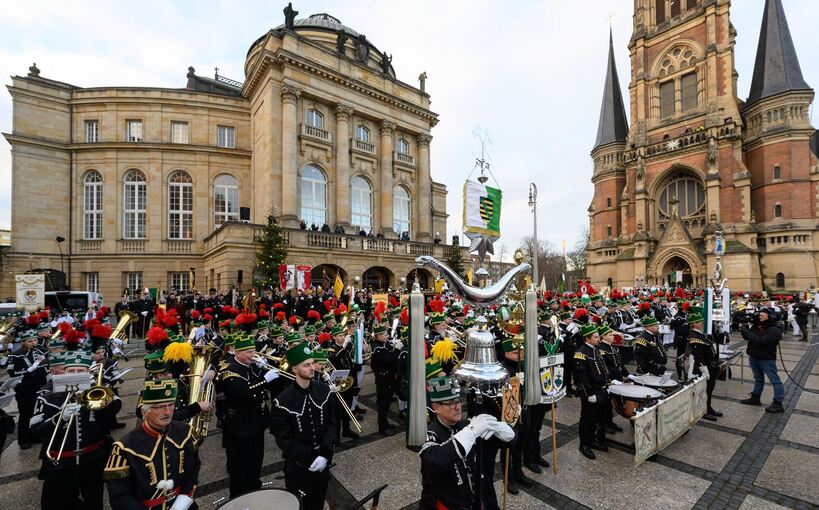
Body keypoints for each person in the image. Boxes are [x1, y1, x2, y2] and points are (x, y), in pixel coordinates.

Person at [33, 350, 121, 510]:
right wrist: (60, 418)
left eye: (81, 371)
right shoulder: (47, 397)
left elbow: (114, 410)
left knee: (94, 501)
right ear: (63, 374)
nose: (76, 375)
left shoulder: (99, 390)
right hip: (62, 462)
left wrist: (93, 399)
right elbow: (36, 430)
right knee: (61, 502)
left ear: (88, 372)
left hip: (94, 459)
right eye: (71, 371)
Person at [419, 376, 514, 510]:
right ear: (436, 407)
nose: (458, 407)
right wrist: (472, 431)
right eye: (451, 403)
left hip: (478, 500)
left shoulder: (466, 425)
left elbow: (510, 441)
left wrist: (499, 428)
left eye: (459, 401)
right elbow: (436, 459)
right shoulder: (429, 434)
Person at [104, 379, 200, 510]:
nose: (167, 412)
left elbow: (194, 468)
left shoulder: (186, 432)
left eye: (170, 405)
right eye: (160, 407)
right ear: (145, 412)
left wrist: (182, 501)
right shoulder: (124, 447)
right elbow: (120, 496)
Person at [271, 342, 338, 510]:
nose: (312, 368)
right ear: (294, 369)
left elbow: (331, 424)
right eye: (306, 365)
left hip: (323, 462)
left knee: (318, 501)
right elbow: (284, 439)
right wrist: (310, 457)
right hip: (298, 467)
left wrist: (325, 453)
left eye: (312, 363)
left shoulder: (324, 390)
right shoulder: (282, 401)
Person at [220, 334, 280, 498]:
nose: (253, 355)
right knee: (239, 464)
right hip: (240, 424)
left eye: (253, 350)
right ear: (236, 352)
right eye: (248, 352)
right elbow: (240, 393)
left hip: (257, 420)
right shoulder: (229, 370)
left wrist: (265, 368)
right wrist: (264, 380)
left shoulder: (251, 364)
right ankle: (239, 495)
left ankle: (254, 486)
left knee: (256, 459)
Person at [574, 323, 610, 460]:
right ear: (587, 339)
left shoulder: (596, 349)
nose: (598, 339)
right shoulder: (581, 353)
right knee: (587, 419)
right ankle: (584, 444)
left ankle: (593, 439)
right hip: (590, 391)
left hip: (600, 389)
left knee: (597, 417)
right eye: (595, 337)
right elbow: (582, 376)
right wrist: (590, 393)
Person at [7, 329, 49, 449]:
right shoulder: (16, 354)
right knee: (26, 414)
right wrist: (29, 369)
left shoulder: (41, 350)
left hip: (40, 385)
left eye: (35, 340)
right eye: (30, 341)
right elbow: (11, 371)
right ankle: (23, 439)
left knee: (37, 412)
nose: (34, 343)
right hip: (24, 388)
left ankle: (35, 435)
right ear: (24, 342)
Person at [740, 308, 785, 413]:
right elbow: (748, 338)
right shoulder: (758, 325)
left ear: (770, 316)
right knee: (758, 378)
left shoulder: (775, 329)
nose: (759, 317)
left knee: (775, 380)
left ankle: (778, 403)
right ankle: (755, 398)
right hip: (754, 356)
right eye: (759, 315)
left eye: (762, 315)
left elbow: (760, 341)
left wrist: (746, 330)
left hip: (766, 359)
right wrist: (744, 328)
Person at [685, 313, 722, 421]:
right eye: (700, 321)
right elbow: (698, 357)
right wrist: (705, 371)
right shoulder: (694, 337)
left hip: (709, 365)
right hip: (701, 368)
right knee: (702, 390)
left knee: (709, 389)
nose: (702, 323)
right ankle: (703, 410)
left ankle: (708, 407)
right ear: (694, 324)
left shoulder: (700, 334)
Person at [369, 319, 399, 436]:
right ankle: (382, 427)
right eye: (385, 334)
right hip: (383, 379)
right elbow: (389, 359)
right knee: (383, 403)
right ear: (378, 336)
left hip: (389, 377)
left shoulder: (383, 344)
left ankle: (385, 423)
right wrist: (396, 350)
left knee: (386, 403)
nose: (387, 336)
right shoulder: (377, 347)